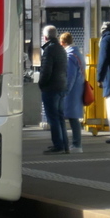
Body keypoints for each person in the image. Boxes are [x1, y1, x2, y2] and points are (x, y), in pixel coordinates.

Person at [37, 25, 70, 154]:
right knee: (60, 117)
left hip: (51, 88)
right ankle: (64, 145)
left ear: (45, 37)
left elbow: (46, 71)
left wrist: (41, 84)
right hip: (61, 86)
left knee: (53, 118)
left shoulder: (49, 50)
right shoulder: (61, 49)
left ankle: (58, 145)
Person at [61, 31, 85, 151]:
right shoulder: (78, 54)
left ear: (63, 43)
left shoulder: (70, 56)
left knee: (72, 118)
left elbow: (70, 76)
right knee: (73, 116)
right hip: (78, 88)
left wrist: (66, 91)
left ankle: (76, 144)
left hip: (72, 91)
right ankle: (75, 144)